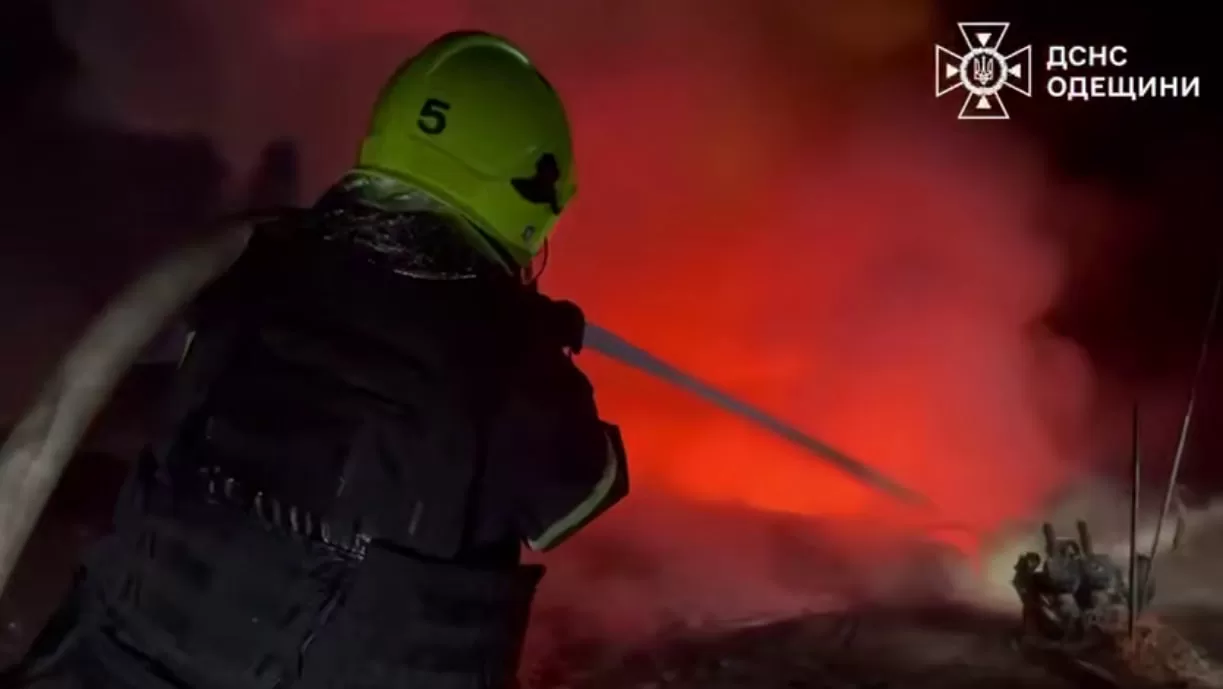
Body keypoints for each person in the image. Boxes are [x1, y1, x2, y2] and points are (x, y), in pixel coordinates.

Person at [7, 30, 628, 689]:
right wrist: (538, 340)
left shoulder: (252, 262)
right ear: (529, 193)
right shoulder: (514, 358)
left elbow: (98, 413)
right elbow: (589, 486)